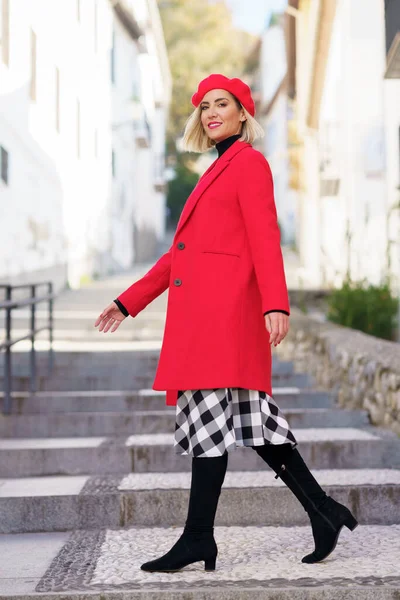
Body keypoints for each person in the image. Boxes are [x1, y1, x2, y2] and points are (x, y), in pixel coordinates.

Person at [94, 73, 358, 573]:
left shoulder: (249, 164)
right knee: (248, 426)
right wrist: (128, 301)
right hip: (206, 324)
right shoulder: (214, 170)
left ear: (243, 113)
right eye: (205, 106)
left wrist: (276, 304)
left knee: (216, 426)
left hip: (224, 320)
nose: (212, 112)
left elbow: (264, 236)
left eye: (223, 103)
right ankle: (323, 511)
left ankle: (199, 540)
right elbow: (179, 255)